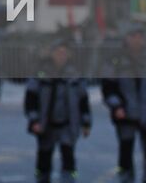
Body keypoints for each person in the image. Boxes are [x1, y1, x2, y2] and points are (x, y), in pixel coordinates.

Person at [101, 25, 146, 183]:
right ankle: (125, 177)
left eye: (140, 36)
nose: (137, 40)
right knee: (126, 148)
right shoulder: (115, 60)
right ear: (126, 38)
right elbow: (108, 87)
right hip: (125, 113)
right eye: (133, 36)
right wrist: (116, 106)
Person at [24, 39, 92, 183]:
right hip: (46, 124)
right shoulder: (41, 72)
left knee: (68, 158)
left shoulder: (75, 74)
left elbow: (83, 100)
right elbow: (30, 99)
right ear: (52, 53)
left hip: (68, 124)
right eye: (58, 52)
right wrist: (34, 119)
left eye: (64, 52)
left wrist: (86, 122)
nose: (61, 55)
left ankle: (69, 179)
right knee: (44, 158)